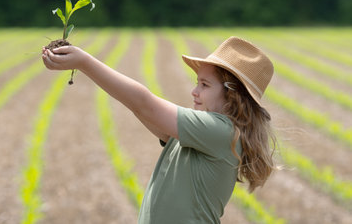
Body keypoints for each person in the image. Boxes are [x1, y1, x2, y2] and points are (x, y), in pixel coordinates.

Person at [42, 36, 277, 224]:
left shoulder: (221, 132)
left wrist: (85, 63)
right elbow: (141, 109)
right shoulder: (202, 131)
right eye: (197, 82)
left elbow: (144, 104)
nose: (194, 91)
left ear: (233, 94)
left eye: (204, 85)